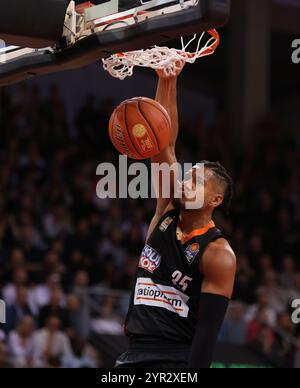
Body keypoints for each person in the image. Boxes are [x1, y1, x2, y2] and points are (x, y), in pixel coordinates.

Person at [115, 63, 236, 368]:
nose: (184, 182)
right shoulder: (166, 211)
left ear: (215, 199)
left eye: (196, 181)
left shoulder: (218, 254)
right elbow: (162, 144)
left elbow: (207, 334)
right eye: (187, 175)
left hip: (174, 361)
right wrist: (168, 81)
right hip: (132, 355)